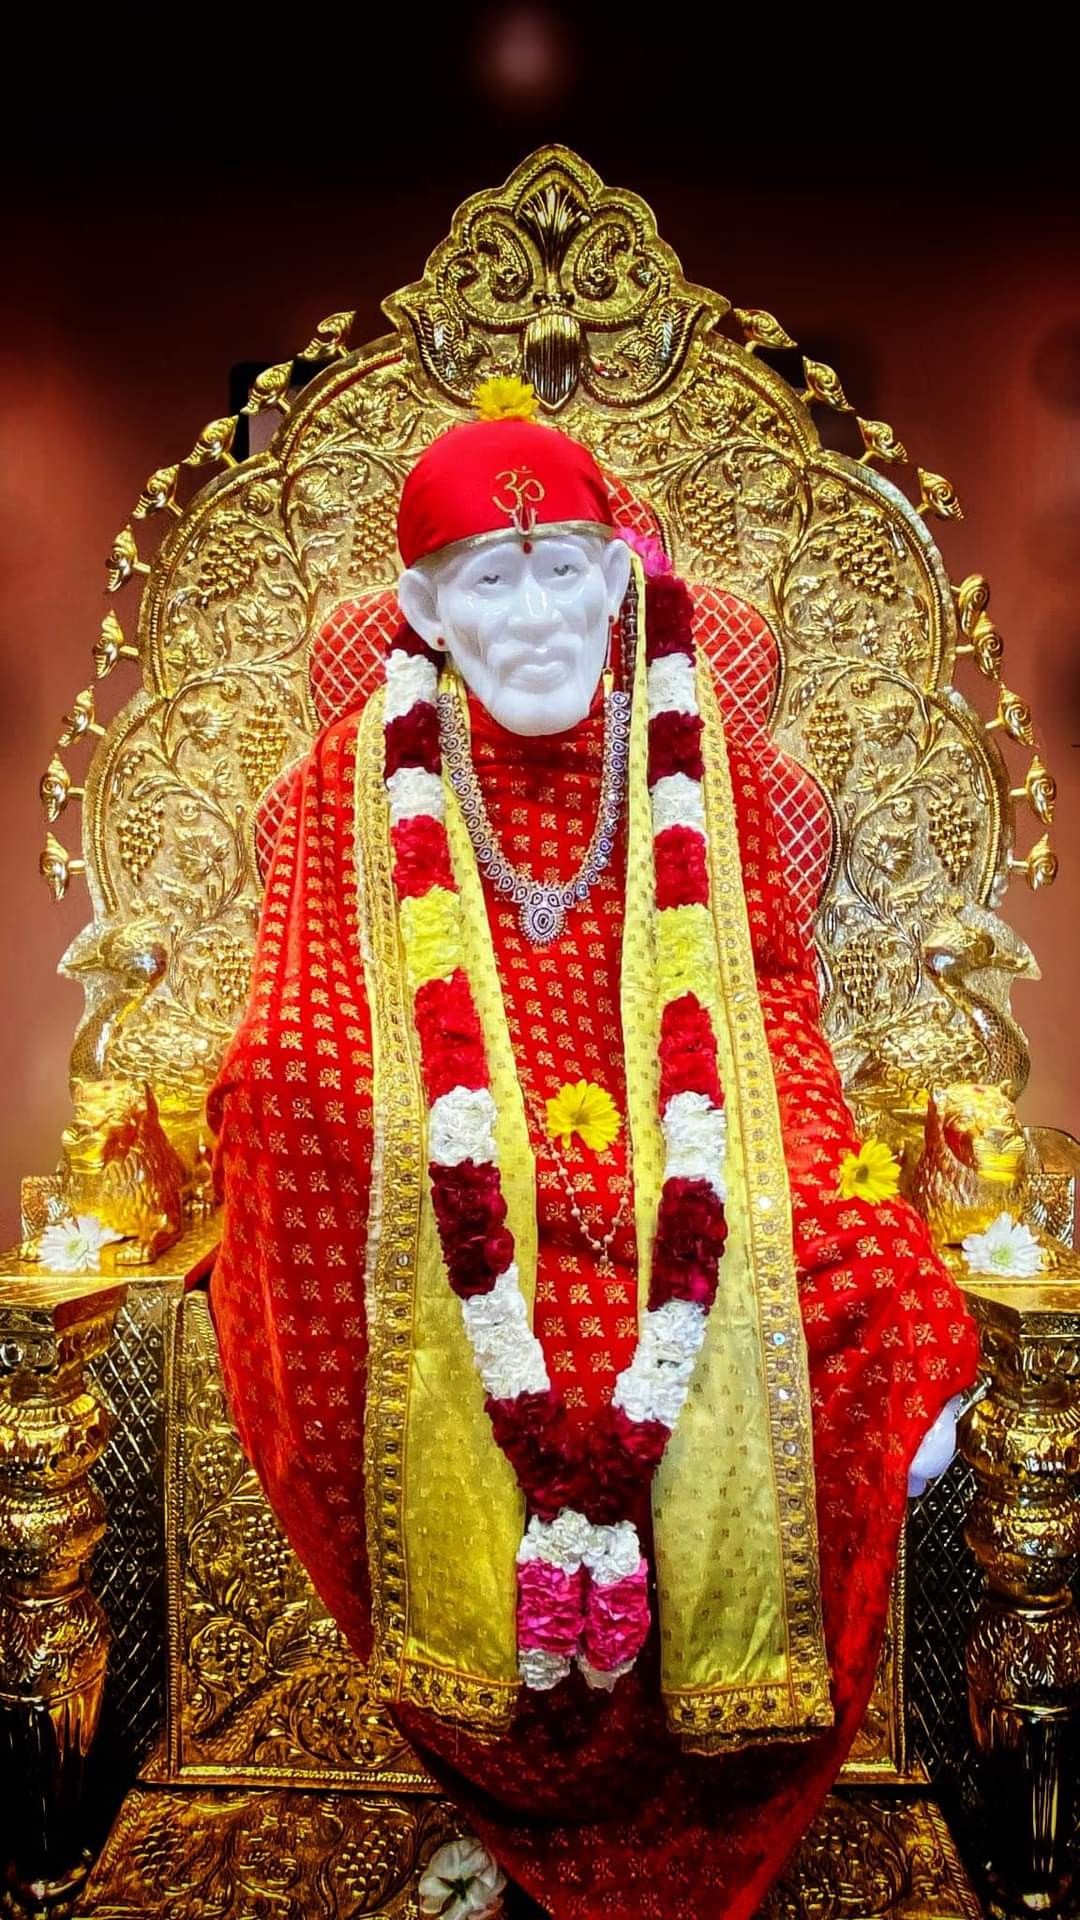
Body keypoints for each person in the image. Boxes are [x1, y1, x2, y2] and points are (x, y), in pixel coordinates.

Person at [208, 379, 979, 1919]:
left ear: (622, 578)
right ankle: (505, 1811)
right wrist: (422, 1154)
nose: (540, 611)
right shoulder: (348, 787)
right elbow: (299, 1030)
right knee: (293, 1117)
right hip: (449, 1201)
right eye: (494, 579)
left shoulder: (706, 764)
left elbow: (765, 1007)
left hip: (689, 1180)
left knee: (878, 1303)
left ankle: (698, 1801)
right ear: (424, 609)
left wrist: (788, 1183)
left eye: (567, 565)